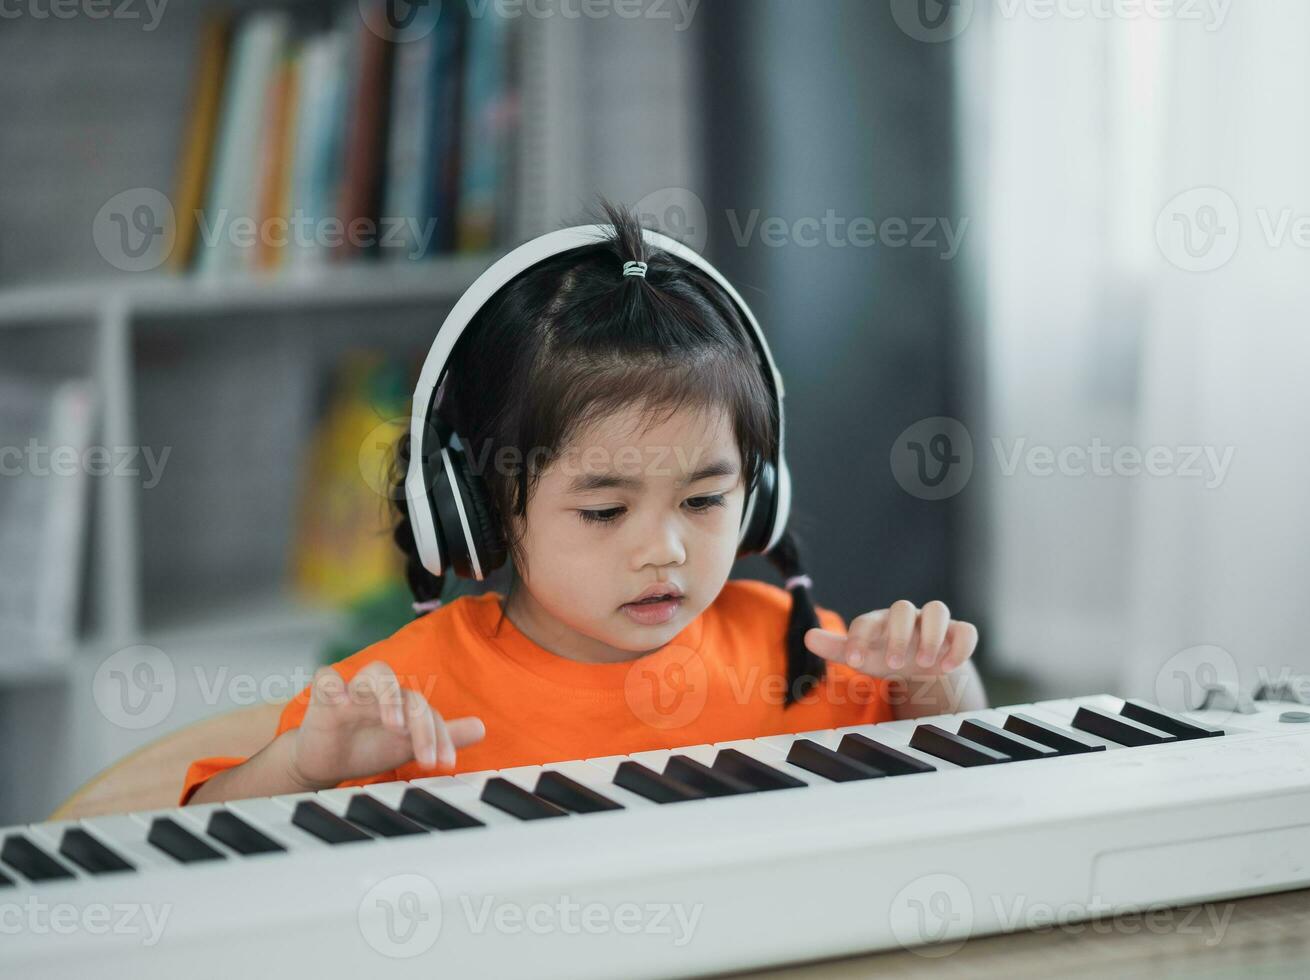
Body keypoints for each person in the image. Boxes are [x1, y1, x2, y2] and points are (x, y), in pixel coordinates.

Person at [183, 201, 984, 806]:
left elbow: (958, 764)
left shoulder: (796, 652)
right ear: (481, 504)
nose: (663, 549)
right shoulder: (406, 692)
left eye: (705, 498)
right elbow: (191, 839)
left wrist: (935, 685)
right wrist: (300, 769)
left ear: (762, 489)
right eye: (605, 512)